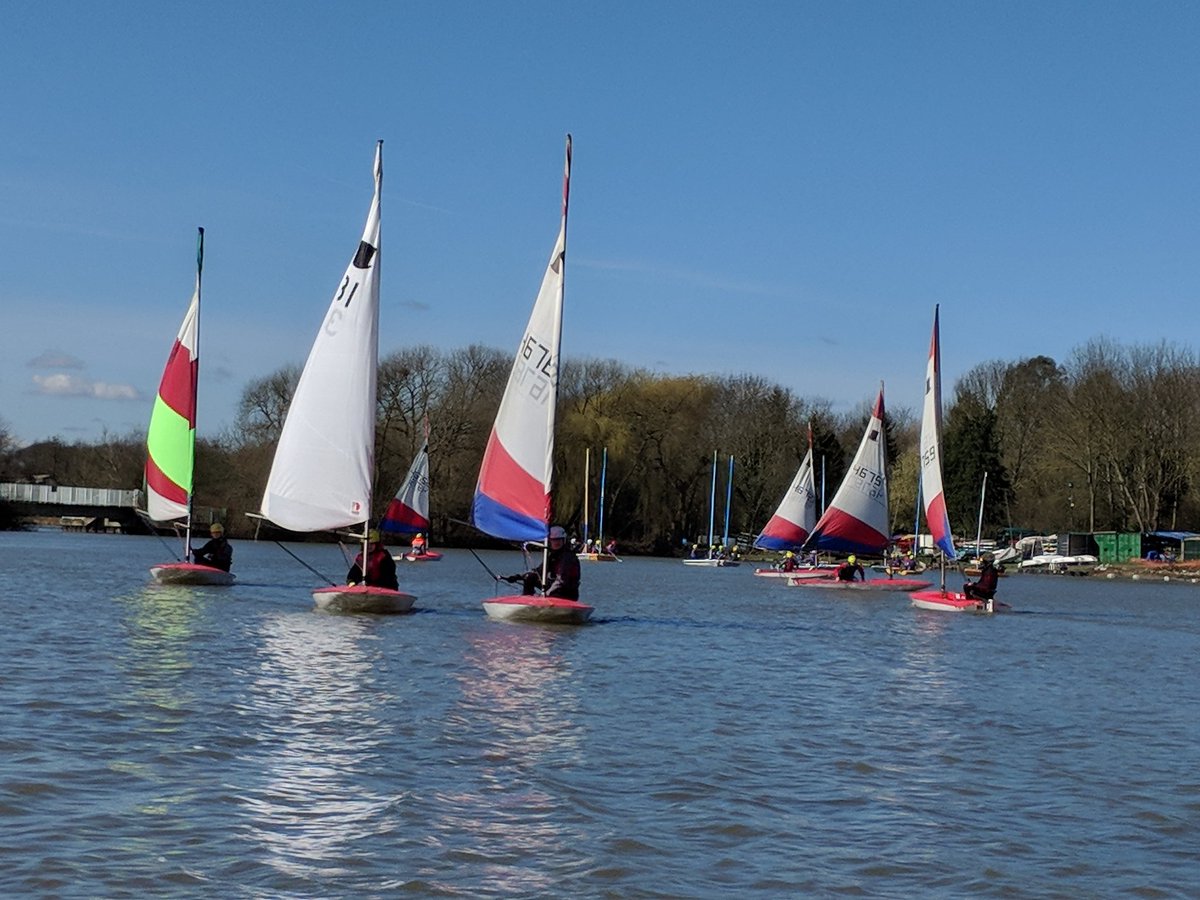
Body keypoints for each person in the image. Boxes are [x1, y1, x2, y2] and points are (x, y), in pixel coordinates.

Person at [502, 524, 581, 600]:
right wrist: (517, 577)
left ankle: (546, 599)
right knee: (530, 577)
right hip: (554, 587)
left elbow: (561, 581)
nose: (556, 543)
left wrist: (545, 594)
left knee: (555, 588)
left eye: (559, 540)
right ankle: (527, 600)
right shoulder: (552, 556)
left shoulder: (568, 557)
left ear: (563, 540)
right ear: (550, 541)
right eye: (554, 540)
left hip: (567, 592)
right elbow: (539, 571)